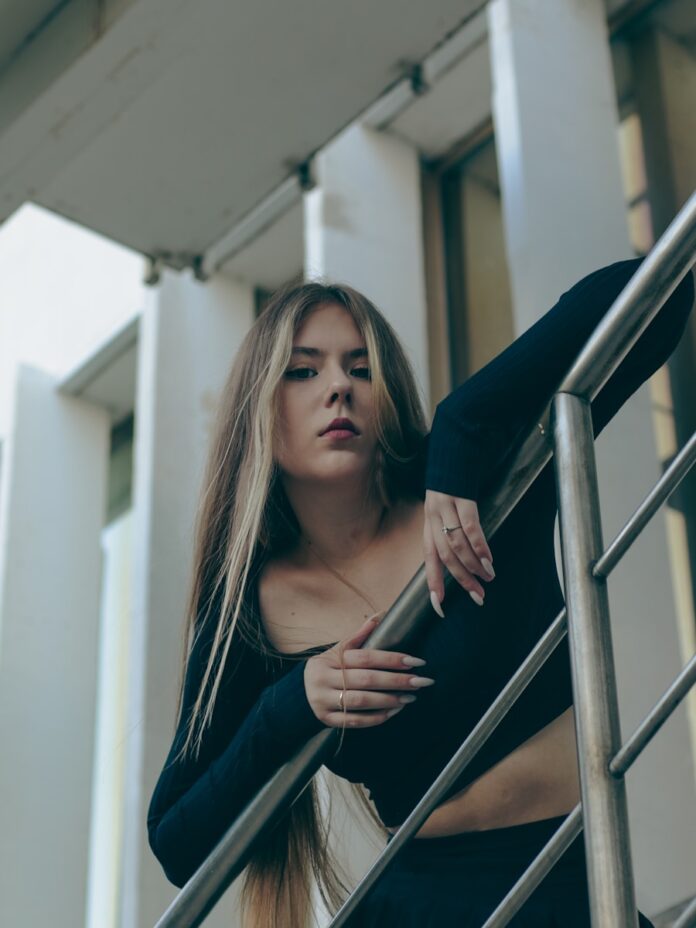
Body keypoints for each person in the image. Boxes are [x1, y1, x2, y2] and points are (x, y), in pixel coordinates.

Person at [147, 254, 694, 928]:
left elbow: (660, 290)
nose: (338, 388)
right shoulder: (249, 613)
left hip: (565, 881)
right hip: (418, 903)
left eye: (361, 366)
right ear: (260, 407)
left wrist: (464, 423)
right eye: (304, 370)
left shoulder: (480, 488)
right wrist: (294, 704)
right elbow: (177, 842)